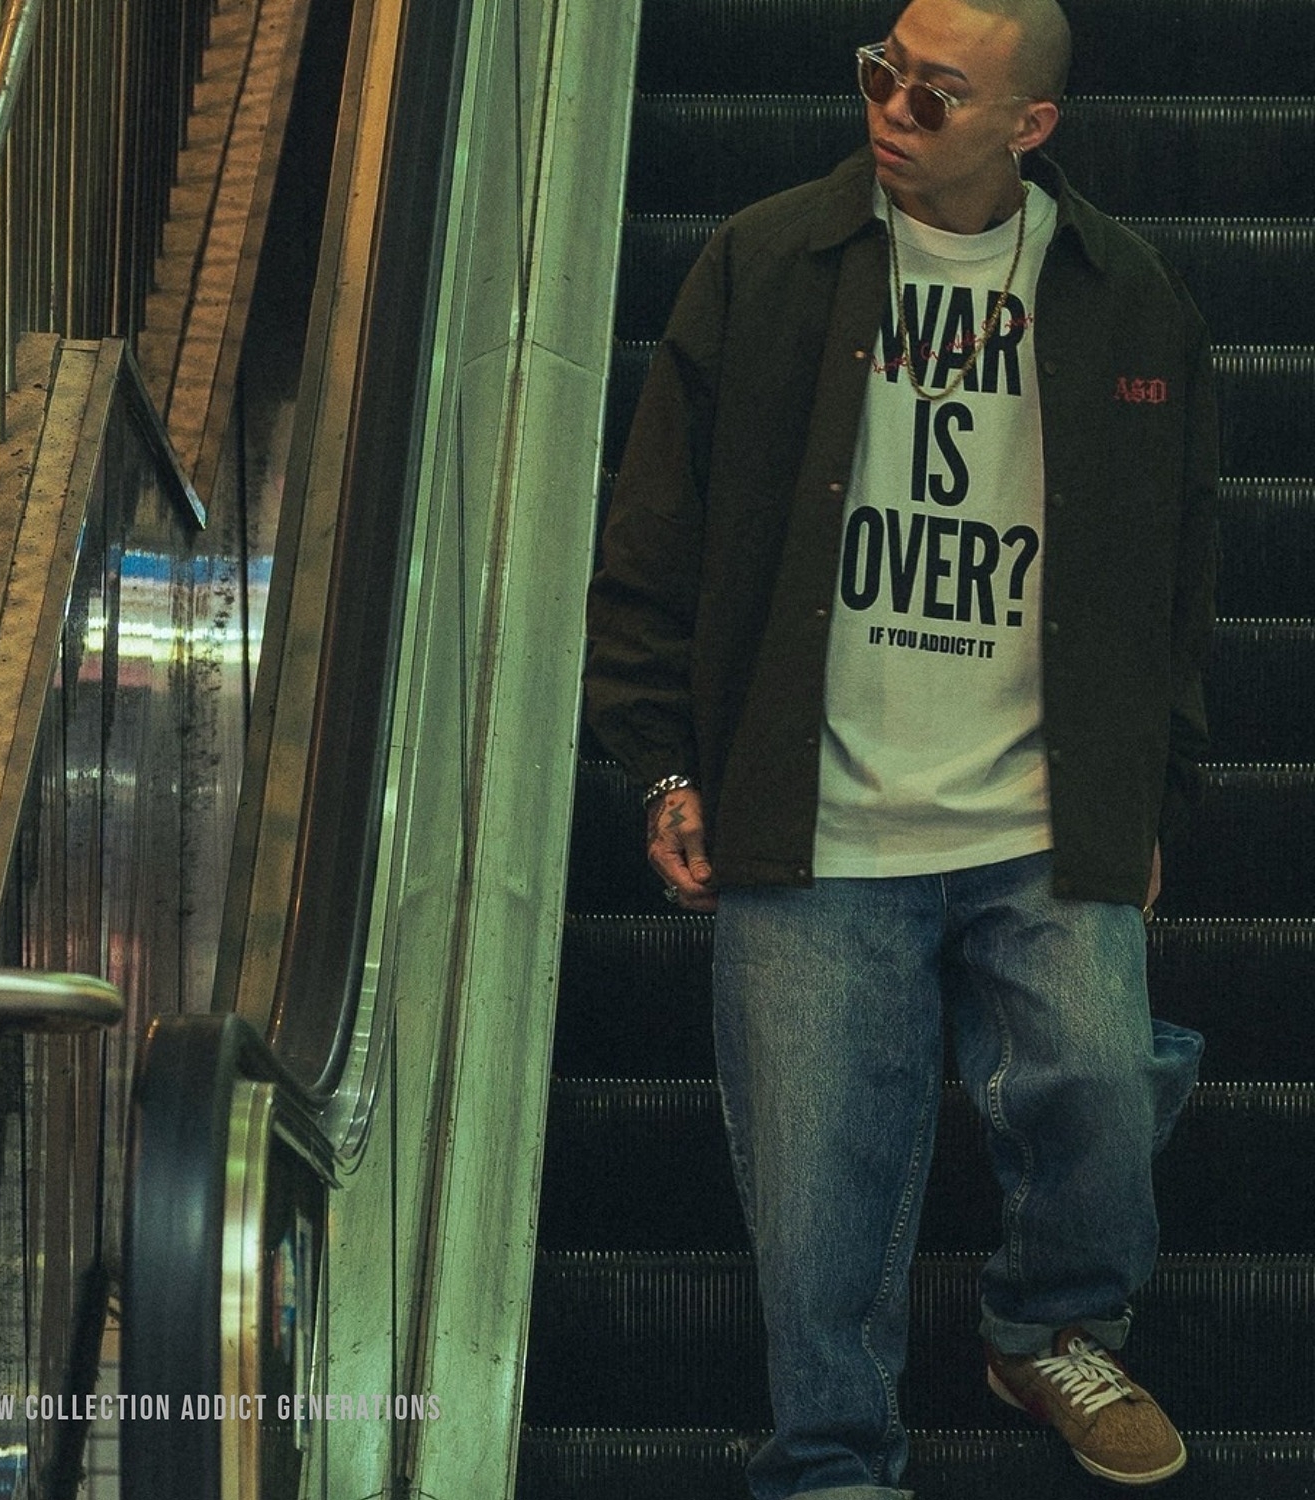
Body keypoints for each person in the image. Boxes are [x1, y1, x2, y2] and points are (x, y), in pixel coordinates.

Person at [582, 0, 1217, 1495]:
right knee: (816, 1194)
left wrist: (1149, 793)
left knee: (1100, 1079)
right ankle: (832, 1459)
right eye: (882, 73)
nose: (890, 108)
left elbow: (1174, 577)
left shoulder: (1131, 300)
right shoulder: (764, 262)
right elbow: (652, 541)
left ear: (1030, 126)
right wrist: (660, 764)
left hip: (1041, 808)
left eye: (937, 95)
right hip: (813, 813)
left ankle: (1049, 1326)